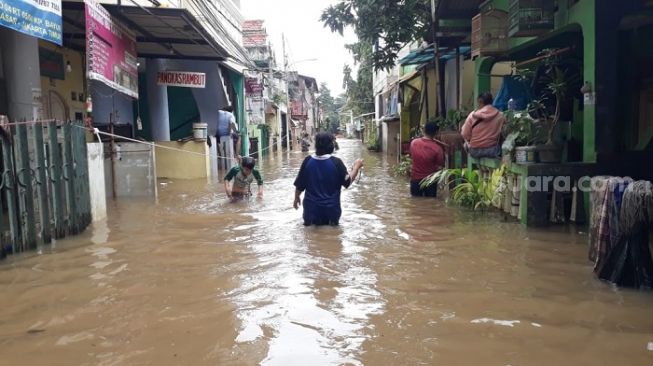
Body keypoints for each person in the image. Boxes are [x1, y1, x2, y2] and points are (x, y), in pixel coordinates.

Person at [293, 132, 363, 226]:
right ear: (331, 145)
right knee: (331, 236)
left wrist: (296, 198)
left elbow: (300, 184)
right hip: (331, 212)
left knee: (310, 237)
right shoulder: (336, 163)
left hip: (311, 210)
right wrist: (356, 167)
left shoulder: (307, 161)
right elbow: (348, 182)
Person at [461, 92, 505, 159]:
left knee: (465, 144)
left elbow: (465, 134)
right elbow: (504, 133)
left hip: (474, 151)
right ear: (492, 101)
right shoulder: (500, 116)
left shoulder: (472, 115)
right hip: (493, 151)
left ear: (480, 102)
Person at [409, 121, 445, 197]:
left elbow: (412, 157)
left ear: (424, 130)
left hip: (415, 180)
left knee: (415, 203)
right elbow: (439, 167)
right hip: (430, 182)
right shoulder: (438, 149)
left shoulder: (414, 143)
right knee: (431, 204)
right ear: (436, 132)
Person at [217, 105, 239, 170]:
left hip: (217, 133)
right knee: (238, 138)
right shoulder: (230, 115)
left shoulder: (218, 112)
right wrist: (233, 132)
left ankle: (220, 155)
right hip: (226, 134)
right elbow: (231, 123)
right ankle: (237, 155)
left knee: (217, 142)